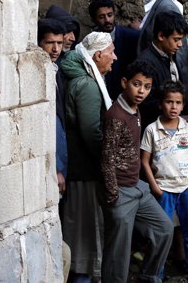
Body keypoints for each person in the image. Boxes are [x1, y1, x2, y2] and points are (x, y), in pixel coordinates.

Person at [100, 60, 173, 283]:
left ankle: (148, 276)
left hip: (138, 189)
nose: (142, 91)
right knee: (117, 255)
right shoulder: (116, 116)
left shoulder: (136, 109)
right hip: (121, 192)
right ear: (125, 83)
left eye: (147, 86)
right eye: (137, 84)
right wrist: (113, 196)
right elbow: (106, 160)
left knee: (164, 229)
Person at [60, 31, 117, 283]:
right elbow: (91, 131)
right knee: (84, 236)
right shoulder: (87, 85)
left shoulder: (87, 80)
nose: (115, 57)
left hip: (83, 168)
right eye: (111, 52)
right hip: (85, 171)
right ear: (98, 55)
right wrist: (107, 163)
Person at [141, 80, 188, 283]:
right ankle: (156, 272)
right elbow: (144, 161)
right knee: (161, 233)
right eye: (169, 102)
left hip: (186, 189)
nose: (174, 107)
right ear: (161, 104)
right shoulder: (152, 130)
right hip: (164, 190)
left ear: (183, 105)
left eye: (178, 103)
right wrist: (154, 186)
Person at [37, 18, 71, 282]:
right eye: (50, 42)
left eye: (59, 43)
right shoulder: (37, 73)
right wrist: (58, 169)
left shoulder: (57, 70)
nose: (56, 48)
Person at [137, 11, 188, 131]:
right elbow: (145, 103)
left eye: (181, 40)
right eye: (176, 39)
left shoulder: (172, 55)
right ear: (161, 36)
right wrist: (177, 117)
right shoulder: (145, 63)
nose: (180, 44)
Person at [89, 0, 140, 98]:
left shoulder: (131, 37)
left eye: (110, 15)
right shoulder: (91, 42)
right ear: (93, 20)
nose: (107, 20)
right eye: (101, 17)